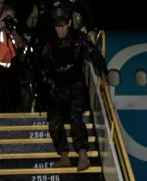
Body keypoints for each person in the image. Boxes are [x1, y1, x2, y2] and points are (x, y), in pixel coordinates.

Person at [39, 1, 108, 171]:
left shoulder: (79, 39)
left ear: (69, 23)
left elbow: (96, 56)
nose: (60, 30)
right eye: (57, 26)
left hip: (76, 86)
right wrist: (41, 94)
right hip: (59, 88)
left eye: (62, 25)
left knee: (76, 118)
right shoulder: (50, 44)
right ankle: (64, 156)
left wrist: (103, 76)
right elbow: (43, 70)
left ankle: (83, 155)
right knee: (54, 119)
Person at [0, 3, 25, 113]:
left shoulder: (15, 26)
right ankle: (4, 111)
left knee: (16, 83)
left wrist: (13, 31)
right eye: (7, 17)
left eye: (12, 17)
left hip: (12, 65)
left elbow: (21, 45)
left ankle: (16, 110)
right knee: (3, 89)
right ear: (1, 17)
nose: (9, 20)